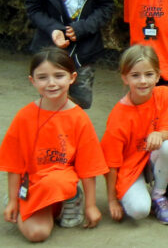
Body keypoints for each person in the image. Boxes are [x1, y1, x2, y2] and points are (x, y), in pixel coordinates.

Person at [0, 47, 108, 242]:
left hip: (61, 182)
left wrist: (91, 206)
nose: (51, 83)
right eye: (42, 77)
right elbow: (14, 164)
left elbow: (88, 168)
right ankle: (40, 204)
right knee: (37, 233)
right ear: (32, 80)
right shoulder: (24, 117)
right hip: (33, 184)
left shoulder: (79, 118)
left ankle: (72, 198)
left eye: (59, 76)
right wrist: (14, 200)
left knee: (56, 180)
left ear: (72, 77)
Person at [101, 45, 168, 225]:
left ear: (158, 75)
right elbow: (111, 165)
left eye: (149, 74)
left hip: (151, 159)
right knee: (139, 211)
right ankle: (138, 195)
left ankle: (158, 195)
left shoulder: (165, 94)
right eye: (135, 75)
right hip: (129, 168)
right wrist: (112, 201)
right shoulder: (118, 116)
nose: (143, 81)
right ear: (125, 78)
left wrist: (160, 135)